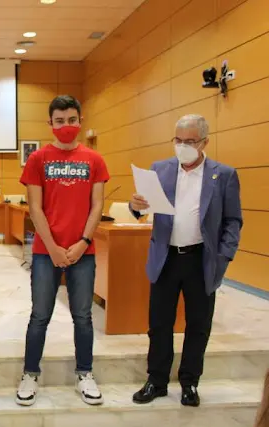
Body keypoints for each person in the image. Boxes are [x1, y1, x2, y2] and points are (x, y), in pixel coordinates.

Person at [130, 114, 243, 407]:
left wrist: (224, 255)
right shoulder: (160, 169)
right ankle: (156, 380)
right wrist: (135, 205)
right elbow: (143, 209)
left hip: (201, 260)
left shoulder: (224, 174)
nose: (182, 146)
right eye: (178, 140)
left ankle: (190, 382)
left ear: (204, 142)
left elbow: (233, 220)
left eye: (190, 141)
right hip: (166, 257)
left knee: (198, 324)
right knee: (159, 323)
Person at [15, 95, 108, 407]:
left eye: (71, 120)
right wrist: (53, 248)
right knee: (40, 315)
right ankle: (30, 373)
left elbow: (98, 205)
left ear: (80, 121)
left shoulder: (94, 159)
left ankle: (85, 373)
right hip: (46, 252)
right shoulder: (38, 159)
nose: (66, 125)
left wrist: (83, 242)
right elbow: (35, 208)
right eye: (59, 121)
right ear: (50, 123)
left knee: (83, 316)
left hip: (83, 251)